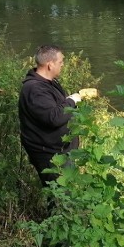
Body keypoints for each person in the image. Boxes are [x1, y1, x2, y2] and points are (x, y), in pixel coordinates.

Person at [18, 44, 84, 185]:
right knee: (60, 198)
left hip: (60, 150)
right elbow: (53, 117)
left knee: (68, 194)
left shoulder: (48, 83)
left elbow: (57, 107)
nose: (63, 65)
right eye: (60, 62)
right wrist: (72, 101)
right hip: (50, 154)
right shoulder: (35, 89)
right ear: (50, 65)